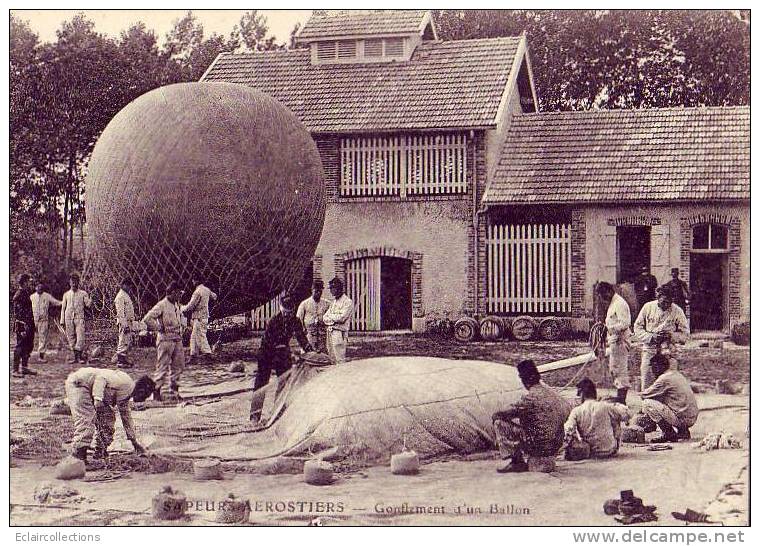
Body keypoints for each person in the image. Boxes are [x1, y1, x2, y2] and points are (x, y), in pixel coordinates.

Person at [491, 360, 572, 473]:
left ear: (524, 380)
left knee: (499, 423)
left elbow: (501, 414)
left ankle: (516, 462)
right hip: (555, 446)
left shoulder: (529, 399)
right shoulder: (554, 395)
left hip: (538, 447)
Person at [65, 367, 154, 463]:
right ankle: (78, 454)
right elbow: (101, 378)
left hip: (93, 392)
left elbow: (126, 418)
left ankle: (100, 450)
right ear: (142, 391)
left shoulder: (126, 394)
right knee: (87, 419)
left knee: (108, 418)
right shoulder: (125, 381)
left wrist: (134, 442)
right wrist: (97, 397)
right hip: (80, 384)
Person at [250, 293, 313, 424]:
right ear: (280, 308)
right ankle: (255, 417)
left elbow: (301, 337)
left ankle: (277, 413)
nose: (286, 315)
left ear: (293, 311)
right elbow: (269, 342)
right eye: (284, 312)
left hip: (282, 353)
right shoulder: (274, 321)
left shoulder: (295, 321)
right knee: (261, 384)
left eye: (289, 313)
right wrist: (284, 351)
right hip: (267, 353)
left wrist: (310, 350)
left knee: (284, 384)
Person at [634, 286, 690, 389]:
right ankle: (647, 404)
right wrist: (651, 337)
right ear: (658, 297)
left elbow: (685, 335)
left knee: (669, 384)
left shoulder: (677, 311)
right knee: (647, 382)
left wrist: (671, 336)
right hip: (650, 350)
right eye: (663, 302)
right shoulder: (648, 307)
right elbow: (637, 328)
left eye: (669, 302)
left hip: (668, 352)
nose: (666, 305)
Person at [637, 354, 698, 443]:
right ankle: (683, 431)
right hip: (692, 417)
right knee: (667, 400)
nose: (653, 371)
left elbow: (645, 395)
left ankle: (668, 433)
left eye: (654, 367)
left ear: (658, 367)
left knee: (647, 403)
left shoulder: (664, 378)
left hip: (682, 419)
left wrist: (638, 394)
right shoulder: (676, 374)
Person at [563, 378, 630, 459]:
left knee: (572, 431)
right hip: (610, 450)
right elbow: (627, 415)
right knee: (615, 415)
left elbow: (568, 430)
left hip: (590, 451)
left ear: (582, 394)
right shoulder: (605, 406)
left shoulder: (576, 411)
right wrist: (616, 405)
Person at [142, 282, 187, 401]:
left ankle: (174, 391)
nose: (179, 295)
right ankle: (157, 392)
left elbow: (181, 318)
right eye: (178, 293)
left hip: (177, 338)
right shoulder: (162, 305)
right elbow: (147, 318)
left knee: (178, 366)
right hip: (165, 339)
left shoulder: (176, 305)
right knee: (162, 366)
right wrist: (158, 327)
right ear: (172, 292)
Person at [597, 282, 632, 404]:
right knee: (614, 369)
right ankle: (620, 397)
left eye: (602, 295)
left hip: (620, 341)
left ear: (608, 291)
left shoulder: (619, 303)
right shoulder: (613, 303)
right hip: (614, 341)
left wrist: (608, 328)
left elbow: (625, 323)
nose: (601, 298)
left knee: (620, 370)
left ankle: (622, 400)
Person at [182, 278, 218, 364]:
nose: (192, 282)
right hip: (204, 316)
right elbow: (215, 296)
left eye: (193, 280)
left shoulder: (197, 292)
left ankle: (208, 355)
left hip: (198, 317)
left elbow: (191, 305)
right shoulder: (206, 290)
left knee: (201, 336)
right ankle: (193, 356)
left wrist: (182, 308)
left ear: (196, 281)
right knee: (194, 337)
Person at [60, 273, 92, 364]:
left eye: (75, 282)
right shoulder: (66, 294)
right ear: (69, 283)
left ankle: (80, 357)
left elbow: (88, 304)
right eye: (72, 282)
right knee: (71, 337)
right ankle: (76, 357)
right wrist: (62, 320)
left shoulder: (83, 293)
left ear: (78, 282)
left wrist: (91, 299)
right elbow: (63, 308)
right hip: (68, 317)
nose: (74, 284)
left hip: (79, 318)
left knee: (80, 337)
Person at [322, 277, 354, 364]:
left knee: (339, 359)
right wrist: (333, 320)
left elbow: (342, 318)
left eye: (332, 288)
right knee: (331, 358)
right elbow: (324, 317)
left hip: (340, 333)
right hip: (330, 332)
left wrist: (331, 318)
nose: (331, 291)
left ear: (338, 288)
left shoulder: (347, 302)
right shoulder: (334, 302)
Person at [12, 274, 37, 377]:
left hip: (29, 323)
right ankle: (15, 370)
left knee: (28, 345)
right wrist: (22, 325)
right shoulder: (18, 295)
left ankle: (24, 367)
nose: (29, 283)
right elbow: (18, 312)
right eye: (28, 282)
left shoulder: (25, 293)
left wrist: (31, 324)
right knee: (20, 346)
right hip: (22, 324)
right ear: (24, 282)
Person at [30, 282, 62, 362]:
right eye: (38, 287)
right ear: (35, 288)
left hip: (43, 320)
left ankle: (41, 357)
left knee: (43, 338)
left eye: (41, 288)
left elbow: (56, 302)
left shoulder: (47, 296)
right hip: (33, 320)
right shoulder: (32, 297)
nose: (40, 289)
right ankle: (26, 356)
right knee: (29, 337)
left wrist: (64, 302)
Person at [296, 279, 330, 354]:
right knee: (309, 355)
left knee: (322, 356)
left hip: (322, 335)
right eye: (316, 291)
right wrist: (303, 331)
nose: (318, 293)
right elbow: (298, 320)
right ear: (312, 290)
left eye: (320, 291)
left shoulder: (327, 304)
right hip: (309, 335)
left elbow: (330, 318)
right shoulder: (304, 304)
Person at [112, 279, 137, 368]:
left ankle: (124, 359)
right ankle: (120, 361)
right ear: (123, 285)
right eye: (128, 285)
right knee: (122, 341)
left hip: (129, 322)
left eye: (130, 286)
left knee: (127, 341)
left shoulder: (126, 295)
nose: (129, 287)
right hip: (124, 322)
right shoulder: (120, 296)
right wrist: (124, 325)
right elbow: (120, 313)